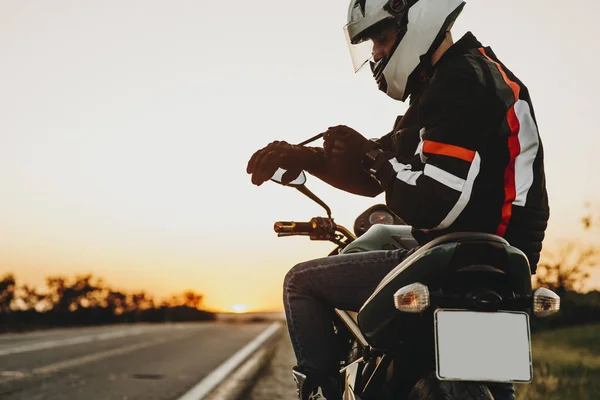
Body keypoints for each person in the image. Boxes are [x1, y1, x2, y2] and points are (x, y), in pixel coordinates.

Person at [246, 0, 549, 399]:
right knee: (490, 384)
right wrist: (307, 157)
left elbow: (432, 204)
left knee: (301, 283)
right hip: (504, 262)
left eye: (382, 38)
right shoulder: (467, 76)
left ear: (418, 19)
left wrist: (372, 157)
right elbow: (381, 173)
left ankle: (320, 391)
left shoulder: (458, 82)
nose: (376, 53)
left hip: (454, 255)